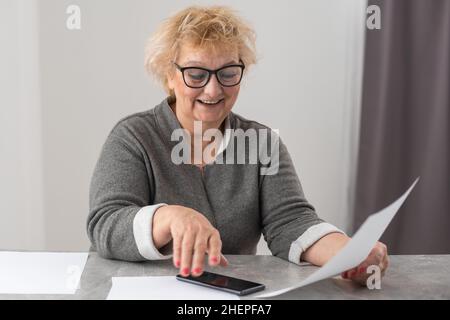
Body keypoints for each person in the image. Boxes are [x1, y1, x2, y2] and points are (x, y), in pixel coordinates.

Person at [87, 5, 388, 285]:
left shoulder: (261, 142)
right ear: (169, 75)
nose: (213, 89)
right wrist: (169, 217)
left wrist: (349, 254)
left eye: (228, 73)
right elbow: (106, 224)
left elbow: (292, 222)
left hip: (230, 296)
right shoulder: (133, 137)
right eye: (196, 74)